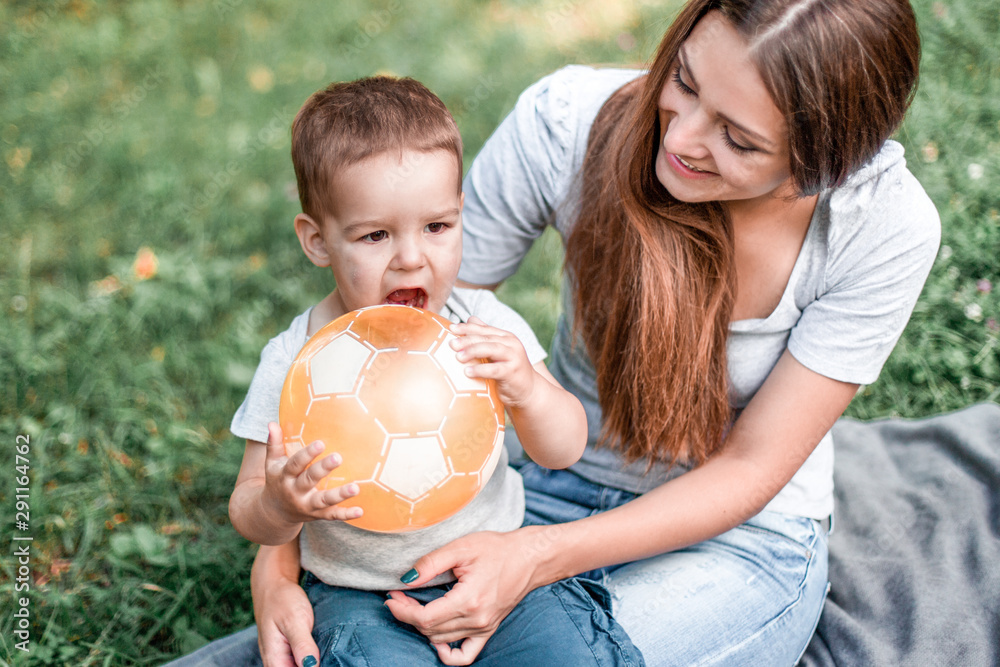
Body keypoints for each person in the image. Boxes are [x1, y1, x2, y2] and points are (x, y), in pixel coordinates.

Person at [181, 0, 941, 665]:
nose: (682, 136)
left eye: (738, 140)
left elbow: (750, 469)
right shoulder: (567, 121)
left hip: (732, 538)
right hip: (534, 487)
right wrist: (274, 569)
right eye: (683, 81)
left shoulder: (881, 228)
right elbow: (393, 336)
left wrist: (534, 560)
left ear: (824, 161)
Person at [166, 76, 645, 666]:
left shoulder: (483, 325)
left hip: (500, 572)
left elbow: (563, 448)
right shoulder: (298, 359)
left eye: (437, 227)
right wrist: (281, 507)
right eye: (375, 235)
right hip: (359, 596)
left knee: (577, 655)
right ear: (317, 241)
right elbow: (248, 507)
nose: (412, 257)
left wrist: (526, 389)